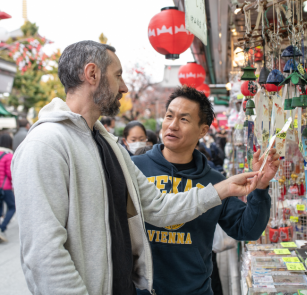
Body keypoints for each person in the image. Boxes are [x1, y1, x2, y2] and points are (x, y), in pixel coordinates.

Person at [12, 41, 262, 295]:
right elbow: (44, 254)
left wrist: (222, 189)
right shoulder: (45, 145)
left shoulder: (109, 146)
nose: (124, 87)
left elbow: (160, 207)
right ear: (92, 74)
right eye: (118, 76)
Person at [132, 86, 279, 295]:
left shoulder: (215, 182)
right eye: (169, 116)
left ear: (203, 130)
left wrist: (261, 186)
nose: (172, 125)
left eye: (184, 119)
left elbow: (248, 230)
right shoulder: (134, 168)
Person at [0, 132, 15, 242]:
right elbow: (10, 173)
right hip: (5, 187)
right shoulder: (8, 155)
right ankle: (2, 227)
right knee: (12, 207)